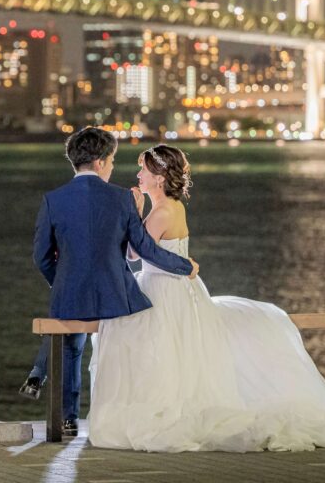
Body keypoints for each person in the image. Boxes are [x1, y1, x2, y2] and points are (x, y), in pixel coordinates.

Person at [88, 144, 325, 452]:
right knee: (178, 354)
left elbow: (134, 253)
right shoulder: (173, 207)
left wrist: (133, 210)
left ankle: (160, 413)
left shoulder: (162, 212)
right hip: (176, 287)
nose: (139, 174)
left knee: (160, 353)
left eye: (144, 169)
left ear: (159, 177)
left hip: (162, 290)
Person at [27, 128, 199, 437]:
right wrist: (184, 265)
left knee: (70, 347)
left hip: (71, 295)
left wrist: (62, 281)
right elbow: (144, 249)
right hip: (115, 296)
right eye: (113, 160)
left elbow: (41, 257)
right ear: (101, 162)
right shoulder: (122, 198)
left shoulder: (53, 200)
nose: (113, 166)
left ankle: (67, 417)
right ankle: (135, 412)